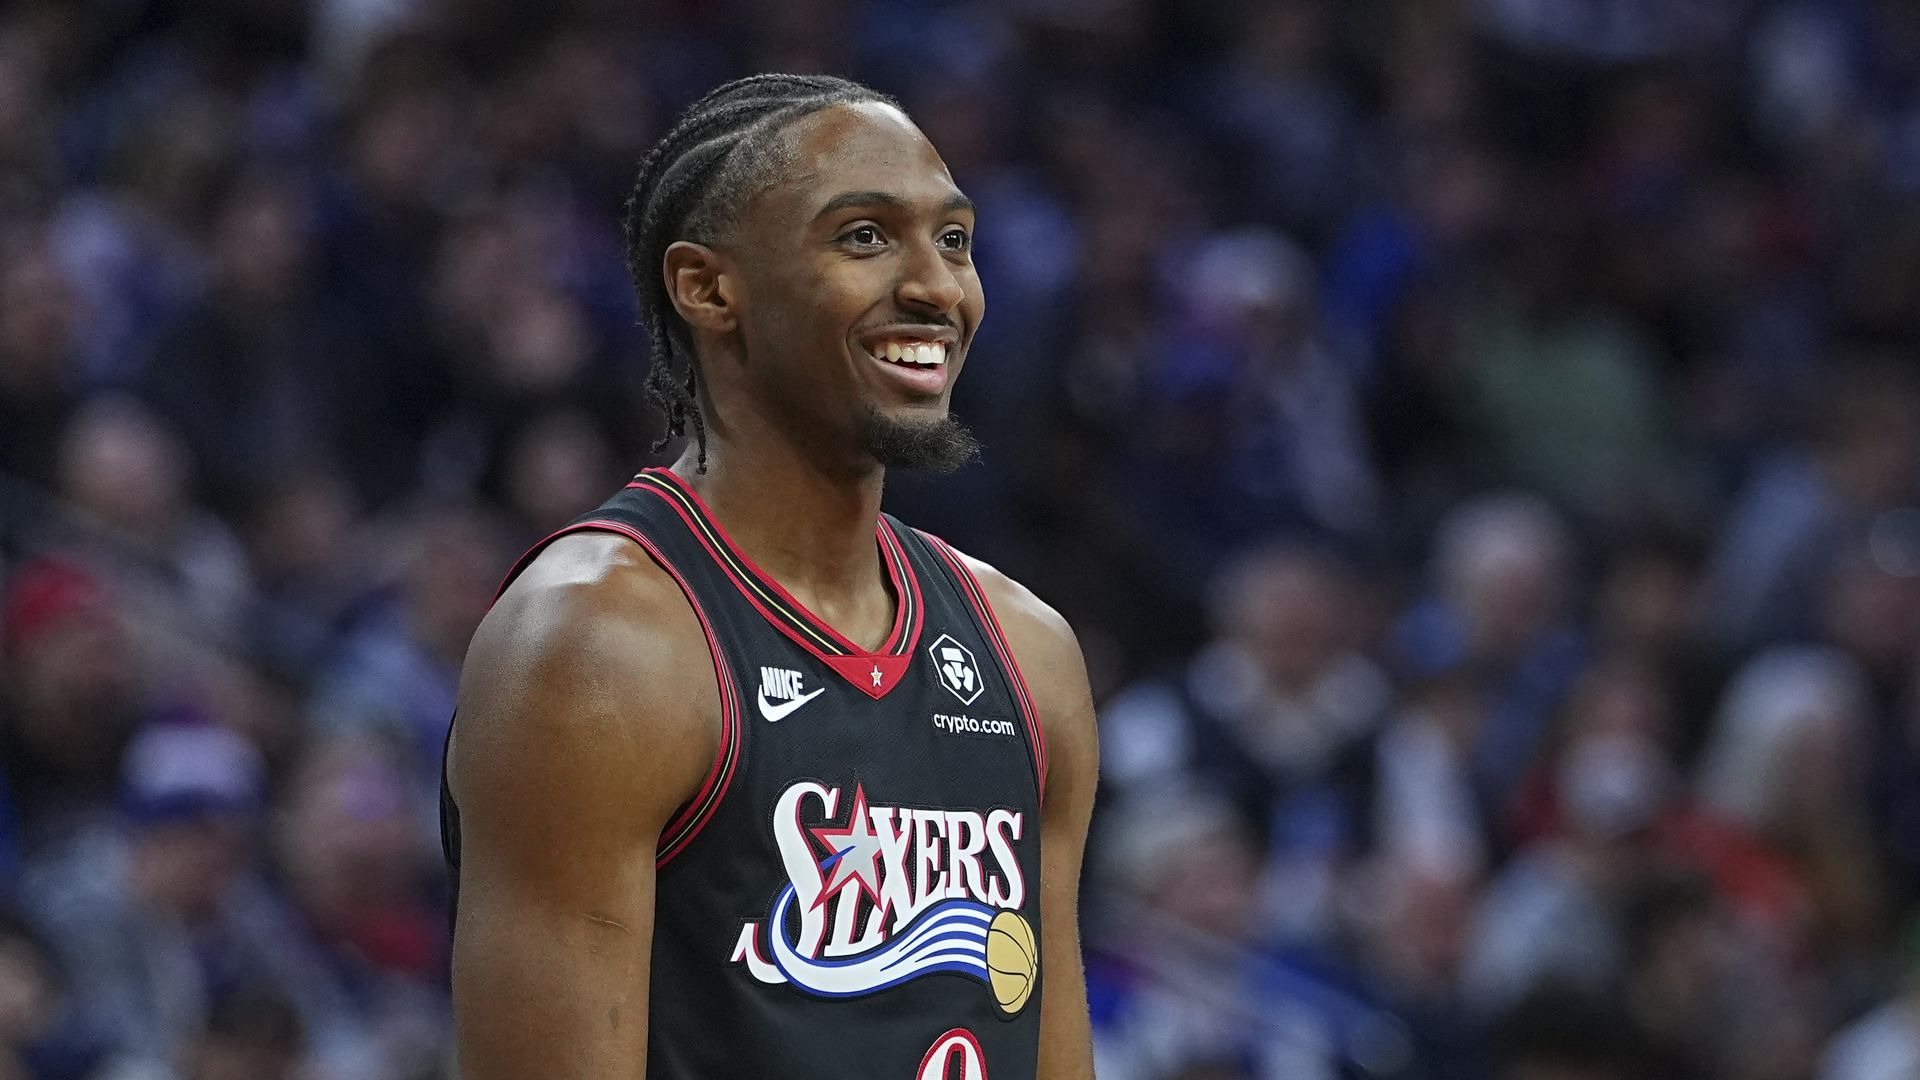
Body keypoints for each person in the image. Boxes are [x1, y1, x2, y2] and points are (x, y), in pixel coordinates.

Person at [439, 74, 1099, 1080]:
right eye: (865, 237)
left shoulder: (1028, 652)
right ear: (709, 289)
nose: (936, 287)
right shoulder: (597, 646)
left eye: (955, 240)